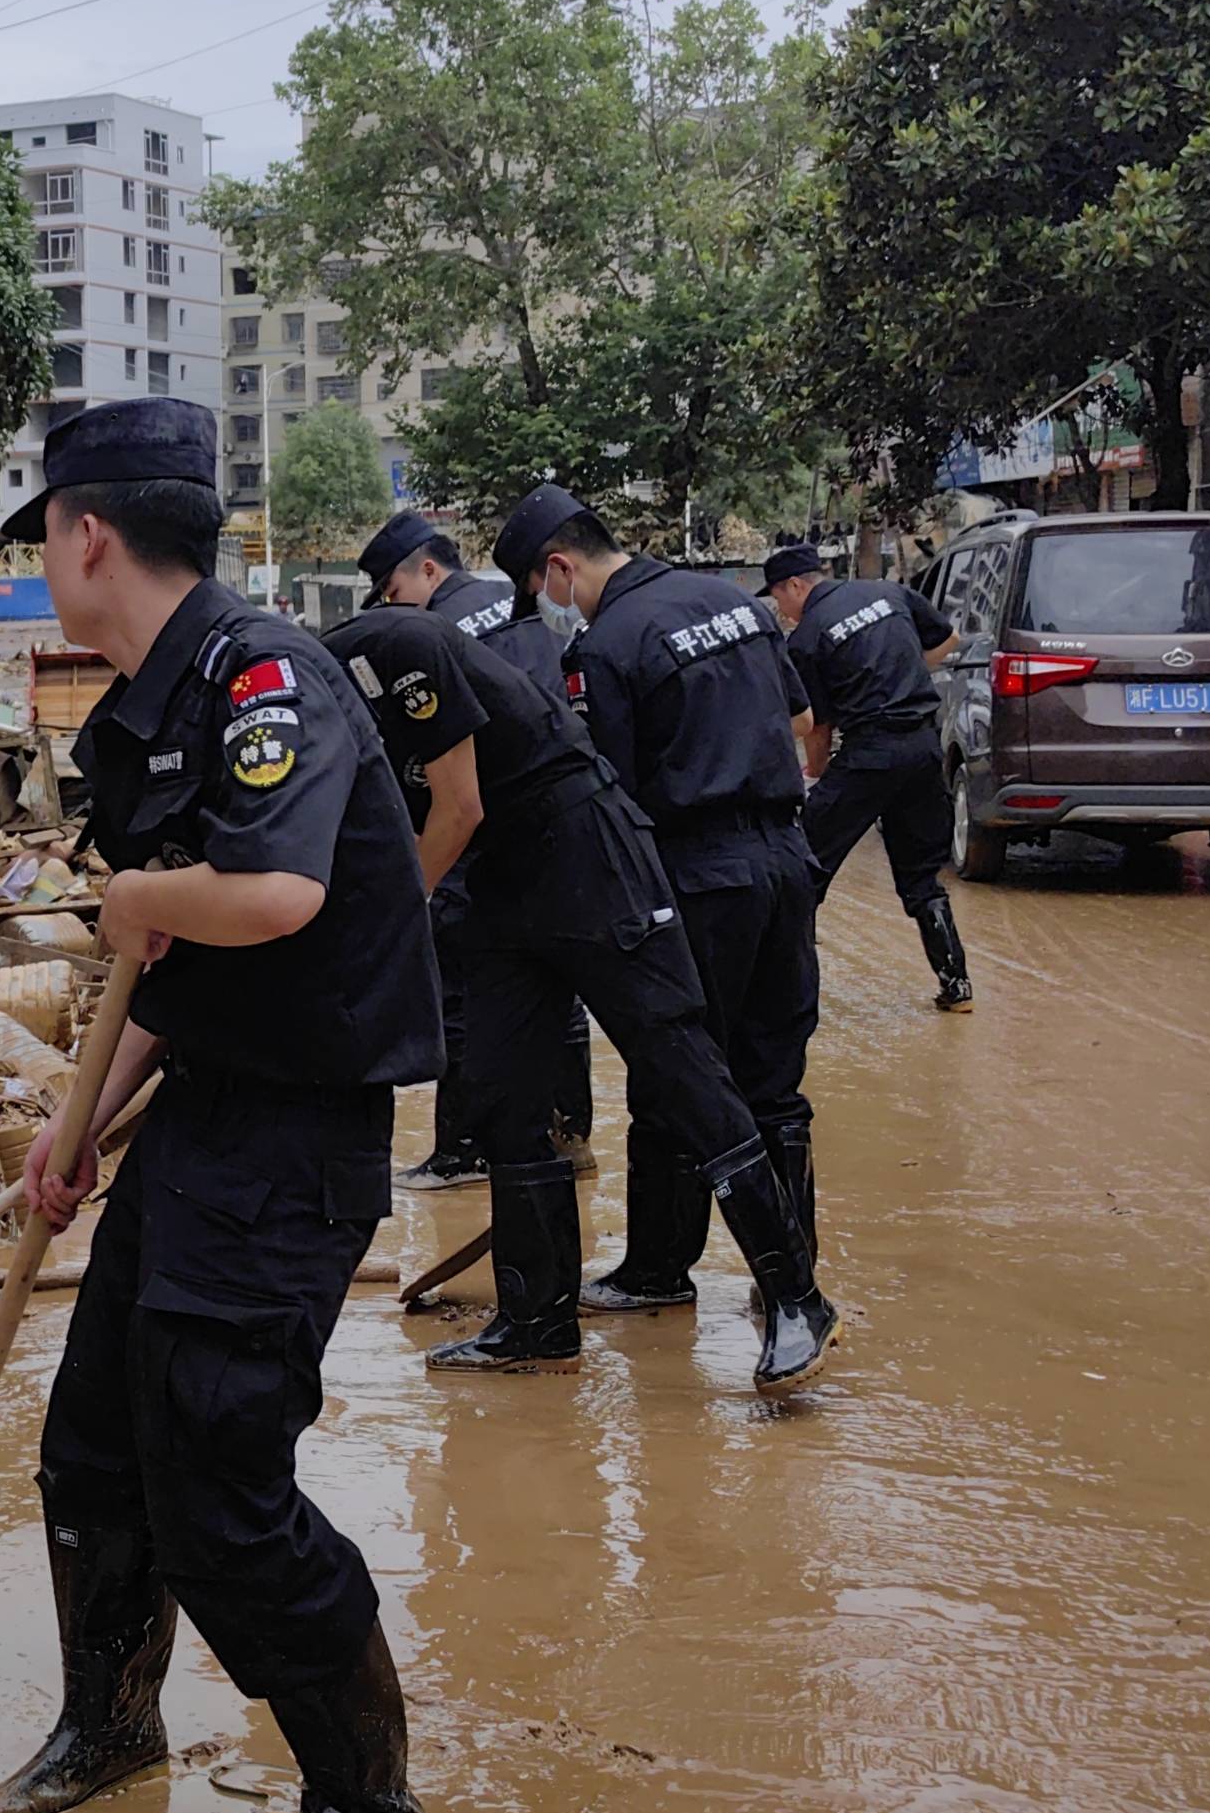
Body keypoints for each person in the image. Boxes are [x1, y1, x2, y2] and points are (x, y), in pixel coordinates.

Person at [0, 398, 444, 1813]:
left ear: (87, 533)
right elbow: (171, 979)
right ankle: (107, 1726)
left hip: (293, 1141)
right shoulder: (138, 709)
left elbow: (277, 895)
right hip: (200, 1118)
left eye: (43, 536)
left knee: (220, 1482)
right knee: (96, 1448)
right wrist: (74, 1131)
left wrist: (138, 899)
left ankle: (368, 1804)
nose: (45, 561)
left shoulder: (262, 675)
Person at [324, 586, 824, 1386]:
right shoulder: (327, 720)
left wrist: (382, 927)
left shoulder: (394, 648)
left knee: (681, 1070)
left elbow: (457, 807)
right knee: (502, 1094)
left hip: (586, 849)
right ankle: (537, 1320)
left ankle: (796, 1294)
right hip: (501, 880)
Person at [499, 486, 836, 1379]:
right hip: (786, 860)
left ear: (559, 568)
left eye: (540, 584)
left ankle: (659, 1269)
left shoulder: (606, 648)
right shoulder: (734, 603)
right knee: (775, 1080)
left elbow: (615, 794)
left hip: (699, 876)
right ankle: (787, 1276)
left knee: (678, 1073)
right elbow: (802, 722)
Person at [355, 510, 591, 1182]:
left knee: (458, 994)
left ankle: (462, 1151)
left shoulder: (430, 634)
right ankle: (568, 1138)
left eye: (394, 591)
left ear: (428, 570)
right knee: (559, 991)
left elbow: (427, 763)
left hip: (476, 831)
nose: (394, 610)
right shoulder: (525, 605)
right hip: (561, 822)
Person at [765, 543, 972, 1012]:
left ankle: (787, 992)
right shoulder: (889, 593)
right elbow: (947, 640)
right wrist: (900, 679)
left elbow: (816, 725)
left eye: (779, 598)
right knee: (922, 879)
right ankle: (957, 986)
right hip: (922, 748)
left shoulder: (807, 638)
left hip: (869, 755)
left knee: (804, 863)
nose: (782, 611)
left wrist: (816, 772)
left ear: (795, 586)